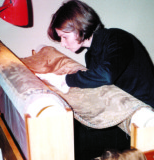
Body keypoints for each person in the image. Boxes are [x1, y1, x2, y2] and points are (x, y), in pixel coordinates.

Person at [36, 0, 154, 159]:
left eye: (64, 36)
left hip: (140, 119)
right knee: (64, 130)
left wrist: (65, 79)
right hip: (119, 113)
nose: (63, 44)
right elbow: (97, 87)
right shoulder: (90, 55)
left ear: (79, 26)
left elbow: (106, 75)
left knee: (72, 141)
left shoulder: (118, 37)